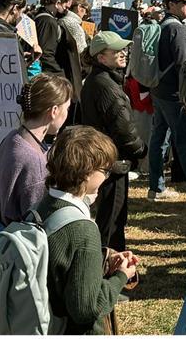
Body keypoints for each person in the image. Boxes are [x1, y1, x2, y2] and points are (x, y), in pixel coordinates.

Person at [35, 125, 138, 334]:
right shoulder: (83, 230)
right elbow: (86, 309)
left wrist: (100, 259)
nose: (107, 177)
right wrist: (120, 276)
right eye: (104, 170)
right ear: (85, 172)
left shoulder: (44, 205)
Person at [81, 31, 147, 253]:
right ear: (101, 57)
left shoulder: (97, 80)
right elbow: (124, 129)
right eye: (116, 51)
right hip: (112, 160)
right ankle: (109, 264)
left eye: (124, 49)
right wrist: (140, 149)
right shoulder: (107, 86)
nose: (123, 53)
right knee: (112, 218)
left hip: (102, 156)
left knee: (109, 214)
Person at [0, 73, 72, 225]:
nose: (67, 114)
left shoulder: (13, 137)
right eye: (66, 108)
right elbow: (37, 226)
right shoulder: (35, 164)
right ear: (54, 111)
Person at [148, 0, 186, 200]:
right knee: (185, 141)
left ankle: (156, 187)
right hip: (174, 94)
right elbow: (184, 65)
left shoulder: (162, 24)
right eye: (183, 2)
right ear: (171, 5)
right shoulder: (177, 28)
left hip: (159, 90)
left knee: (159, 138)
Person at [36, 0, 84, 107]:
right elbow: (46, 54)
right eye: (66, 7)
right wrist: (62, 78)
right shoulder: (48, 22)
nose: (66, 11)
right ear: (57, 3)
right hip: (52, 79)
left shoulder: (39, 16)